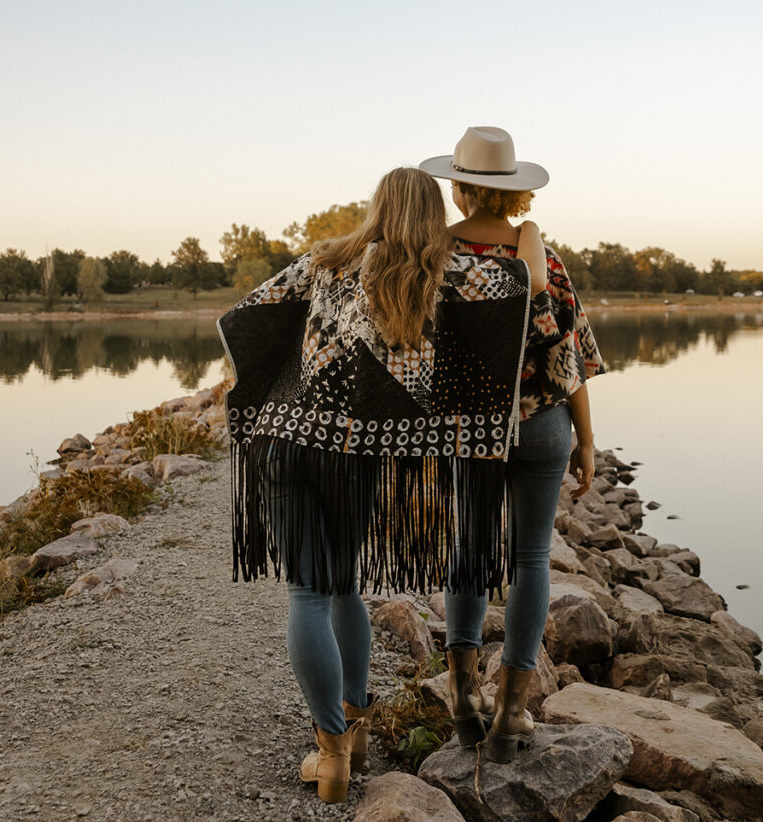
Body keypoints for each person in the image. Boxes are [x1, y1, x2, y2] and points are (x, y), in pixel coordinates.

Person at [216, 167, 546, 802]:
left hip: (282, 441)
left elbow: (246, 315)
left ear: (375, 207)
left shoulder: (324, 259)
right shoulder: (441, 275)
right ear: (428, 214)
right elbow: (522, 287)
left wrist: (271, 382)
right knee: (341, 591)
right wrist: (527, 229)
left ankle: (335, 753)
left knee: (309, 595)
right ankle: (351, 736)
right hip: (352, 458)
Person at [420, 126, 605, 763]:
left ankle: (462, 696)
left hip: (469, 431)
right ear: (515, 190)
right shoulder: (539, 257)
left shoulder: (434, 255)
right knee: (531, 560)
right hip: (541, 424)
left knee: (469, 549)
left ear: (460, 184)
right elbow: (570, 353)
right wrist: (586, 439)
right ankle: (512, 711)